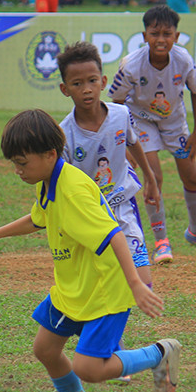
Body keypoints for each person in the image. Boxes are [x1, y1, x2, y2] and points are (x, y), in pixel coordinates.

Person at [0, 109, 181, 392]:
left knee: (89, 368)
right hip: (74, 288)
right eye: (14, 163)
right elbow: (38, 218)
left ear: (50, 154)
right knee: (46, 350)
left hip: (105, 290)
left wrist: (135, 284)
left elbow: (114, 235)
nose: (17, 171)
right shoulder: (49, 181)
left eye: (22, 163)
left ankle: (159, 353)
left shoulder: (73, 190)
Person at [108, 5, 196, 263]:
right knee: (154, 178)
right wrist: (125, 142)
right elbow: (115, 101)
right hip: (140, 121)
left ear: (176, 36)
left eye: (167, 34)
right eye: (155, 33)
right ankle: (161, 241)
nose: (161, 39)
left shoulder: (183, 60)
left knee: (192, 177)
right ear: (144, 36)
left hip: (173, 122)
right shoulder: (131, 65)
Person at [56, 41, 159, 294]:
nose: (87, 90)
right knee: (99, 280)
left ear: (103, 81)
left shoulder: (121, 115)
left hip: (123, 203)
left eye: (92, 81)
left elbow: (133, 142)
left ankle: (116, 328)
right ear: (64, 89)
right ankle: (107, 330)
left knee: (143, 280)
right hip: (89, 212)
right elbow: (61, 181)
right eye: (77, 84)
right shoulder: (64, 135)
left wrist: (150, 178)